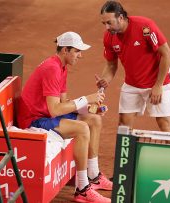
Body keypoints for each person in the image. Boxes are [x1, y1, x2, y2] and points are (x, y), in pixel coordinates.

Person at [17, 31, 112, 203]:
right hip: (33, 120)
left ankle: (94, 176)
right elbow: (55, 110)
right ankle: (82, 189)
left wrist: (89, 109)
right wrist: (86, 99)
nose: (80, 56)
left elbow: (64, 102)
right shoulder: (52, 68)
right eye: (77, 51)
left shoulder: (61, 66)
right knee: (82, 129)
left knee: (94, 119)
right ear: (65, 50)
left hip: (46, 113)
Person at [97, 0, 170, 132]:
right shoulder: (109, 37)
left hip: (156, 83)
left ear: (120, 17)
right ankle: (125, 154)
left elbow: (167, 54)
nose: (106, 27)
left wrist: (158, 85)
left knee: (165, 125)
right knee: (123, 126)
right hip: (132, 84)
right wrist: (105, 81)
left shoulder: (145, 27)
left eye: (109, 22)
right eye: (104, 23)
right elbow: (111, 65)